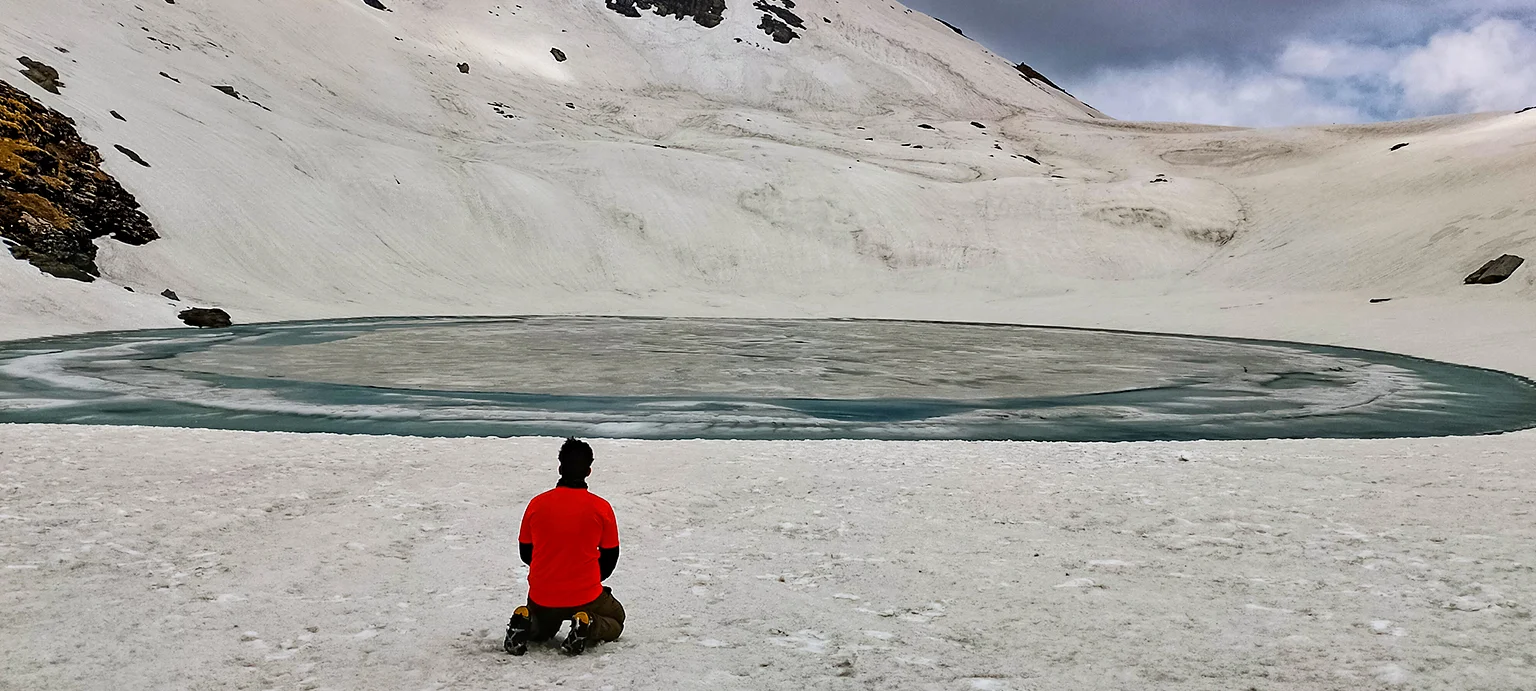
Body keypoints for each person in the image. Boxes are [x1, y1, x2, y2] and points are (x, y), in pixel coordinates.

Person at [504, 438, 625, 656]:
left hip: (543, 594)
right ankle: (586, 624)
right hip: (586, 593)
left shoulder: (537, 504)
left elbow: (525, 553)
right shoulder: (601, 508)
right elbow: (610, 557)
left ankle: (527, 620)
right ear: (589, 471)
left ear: (560, 468)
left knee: (543, 630)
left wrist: (553, 569)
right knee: (616, 619)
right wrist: (588, 579)